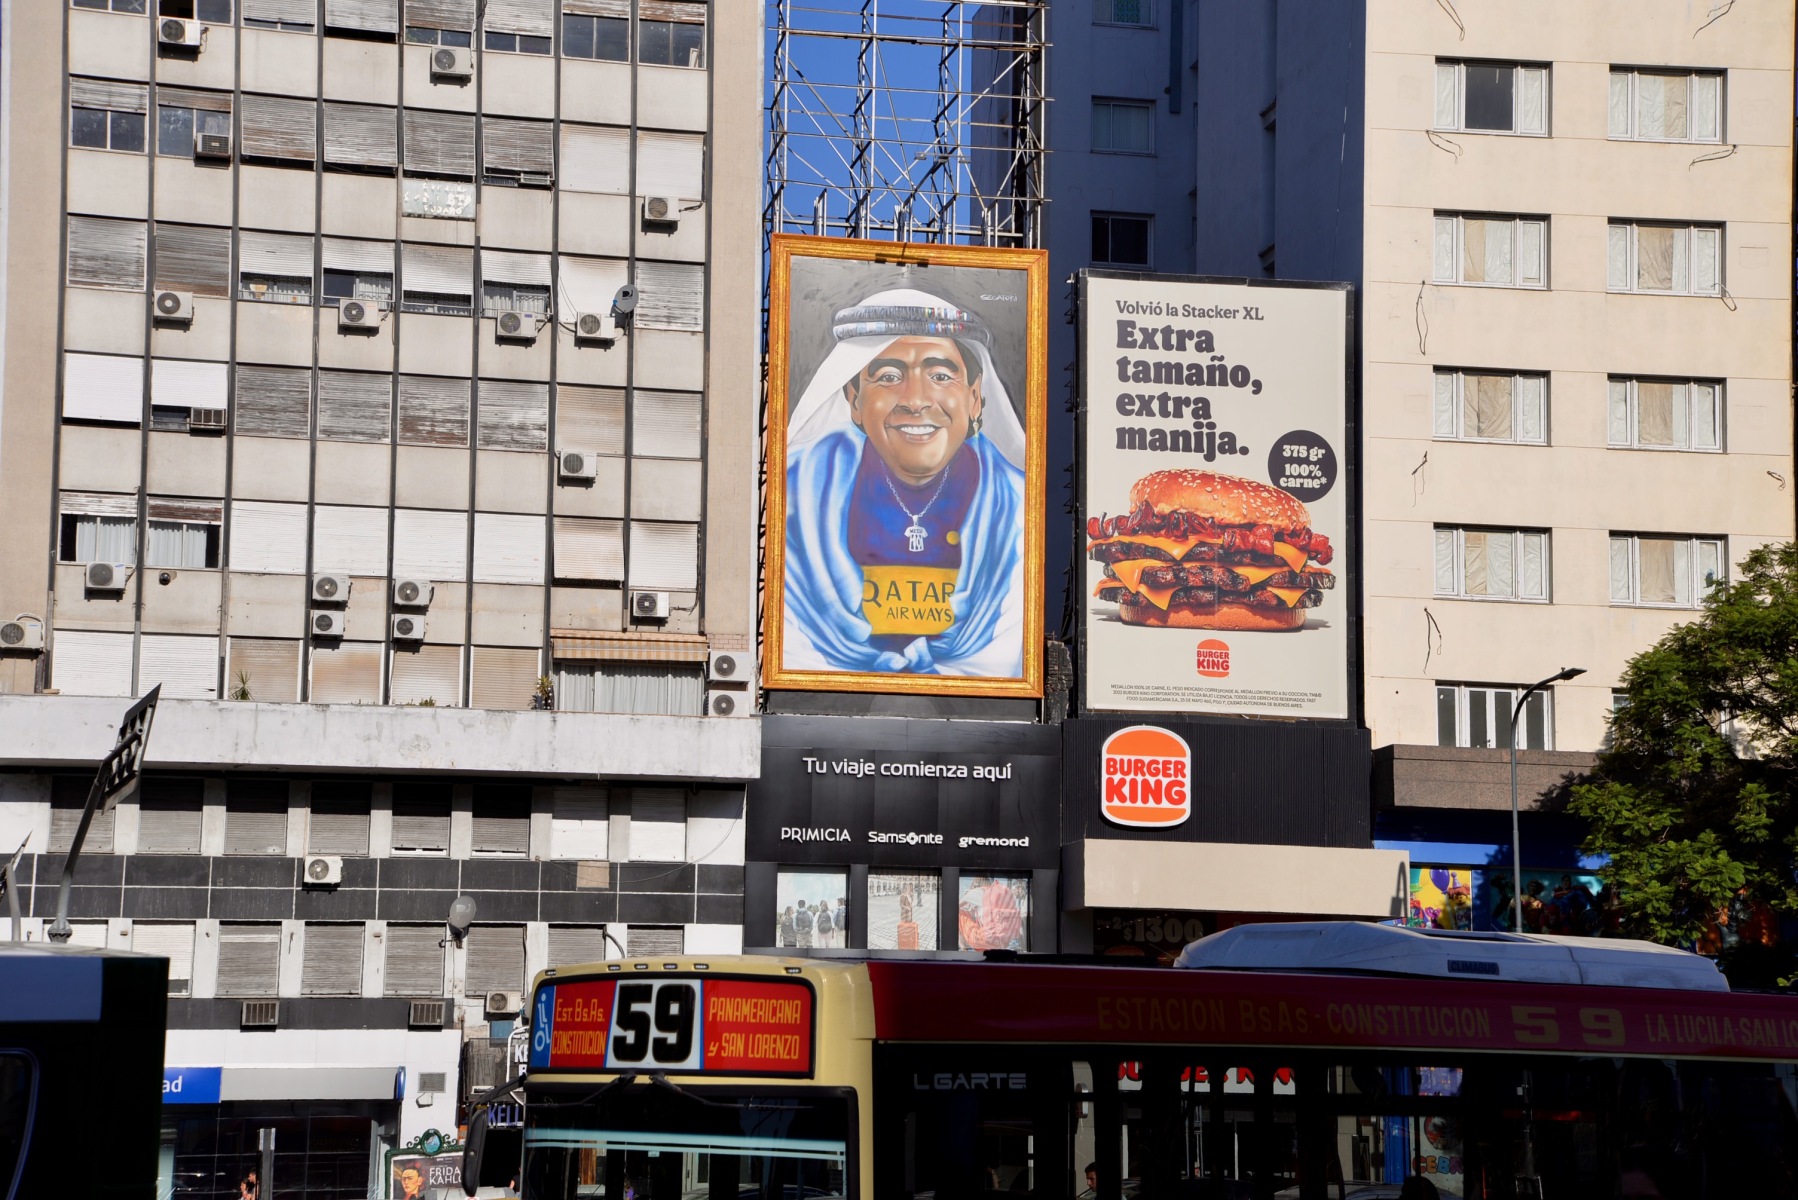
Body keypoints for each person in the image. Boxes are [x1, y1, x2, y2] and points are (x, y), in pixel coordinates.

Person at [782, 288, 1028, 677]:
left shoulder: (1017, 507)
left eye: (941, 376)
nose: (915, 400)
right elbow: (794, 650)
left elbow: (1003, 662)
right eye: (889, 377)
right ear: (855, 400)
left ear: (974, 398)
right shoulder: (796, 494)